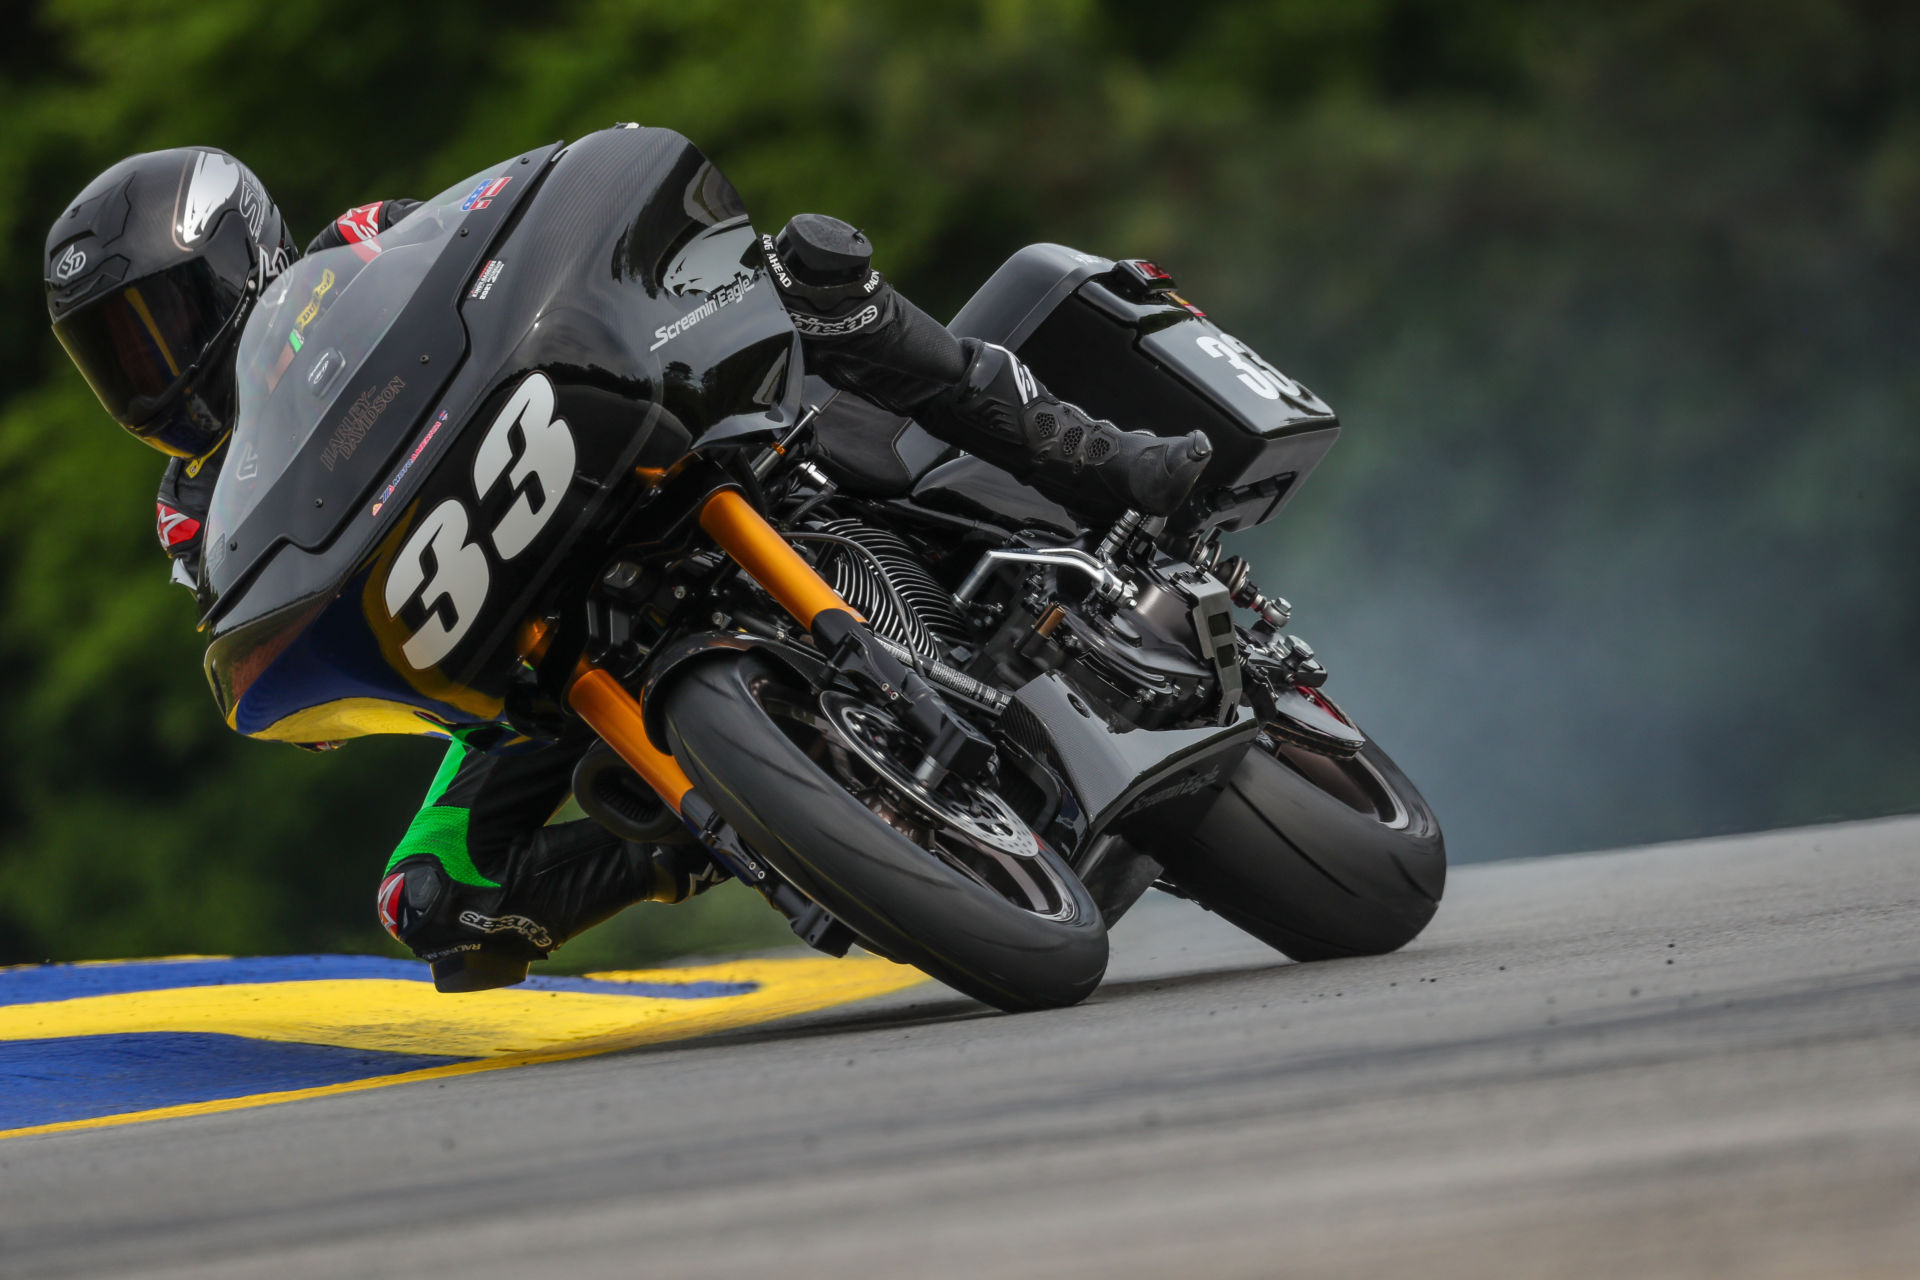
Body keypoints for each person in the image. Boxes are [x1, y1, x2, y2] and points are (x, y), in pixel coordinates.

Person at [42, 142, 1212, 991]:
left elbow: (521, 265)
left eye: (163, 317)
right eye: (118, 352)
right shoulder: (193, 511)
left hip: (604, 450)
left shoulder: (363, 244)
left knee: (818, 287)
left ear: (244, 255)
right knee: (431, 902)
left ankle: (1103, 459)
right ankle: (736, 823)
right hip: (514, 642)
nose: (156, 366)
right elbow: (273, 614)